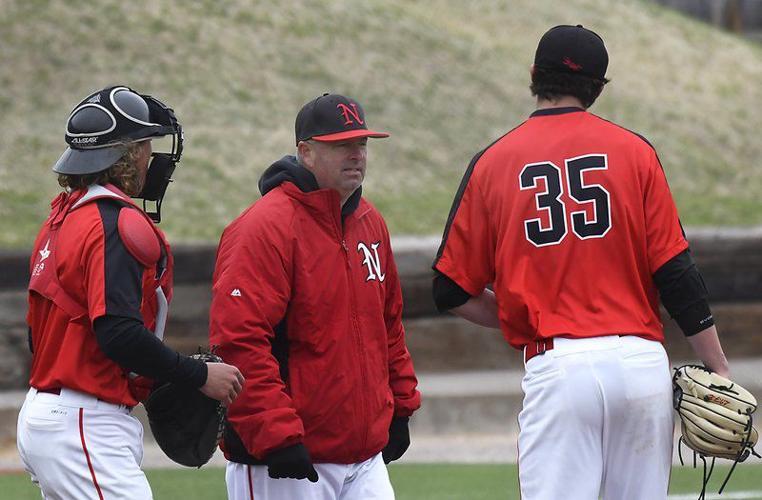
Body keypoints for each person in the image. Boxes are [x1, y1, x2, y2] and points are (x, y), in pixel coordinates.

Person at [432, 25, 730, 500]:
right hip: (641, 366)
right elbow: (677, 274)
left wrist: (518, 316)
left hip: (559, 366)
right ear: (597, 87)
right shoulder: (635, 152)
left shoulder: (493, 162)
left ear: (534, 75)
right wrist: (719, 369)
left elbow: (449, 289)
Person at [17, 85, 245, 499]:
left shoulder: (60, 219)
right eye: (145, 145)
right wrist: (198, 376)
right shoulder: (115, 223)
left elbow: (42, 336)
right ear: (126, 154)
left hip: (49, 416)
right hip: (84, 423)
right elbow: (117, 332)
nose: (149, 157)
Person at [209, 93, 421, 500]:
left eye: (361, 144)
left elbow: (389, 326)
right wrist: (275, 434)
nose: (356, 154)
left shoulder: (369, 220)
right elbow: (240, 341)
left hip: (363, 456)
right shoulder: (263, 227)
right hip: (285, 456)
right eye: (341, 145)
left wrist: (400, 405)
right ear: (306, 152)